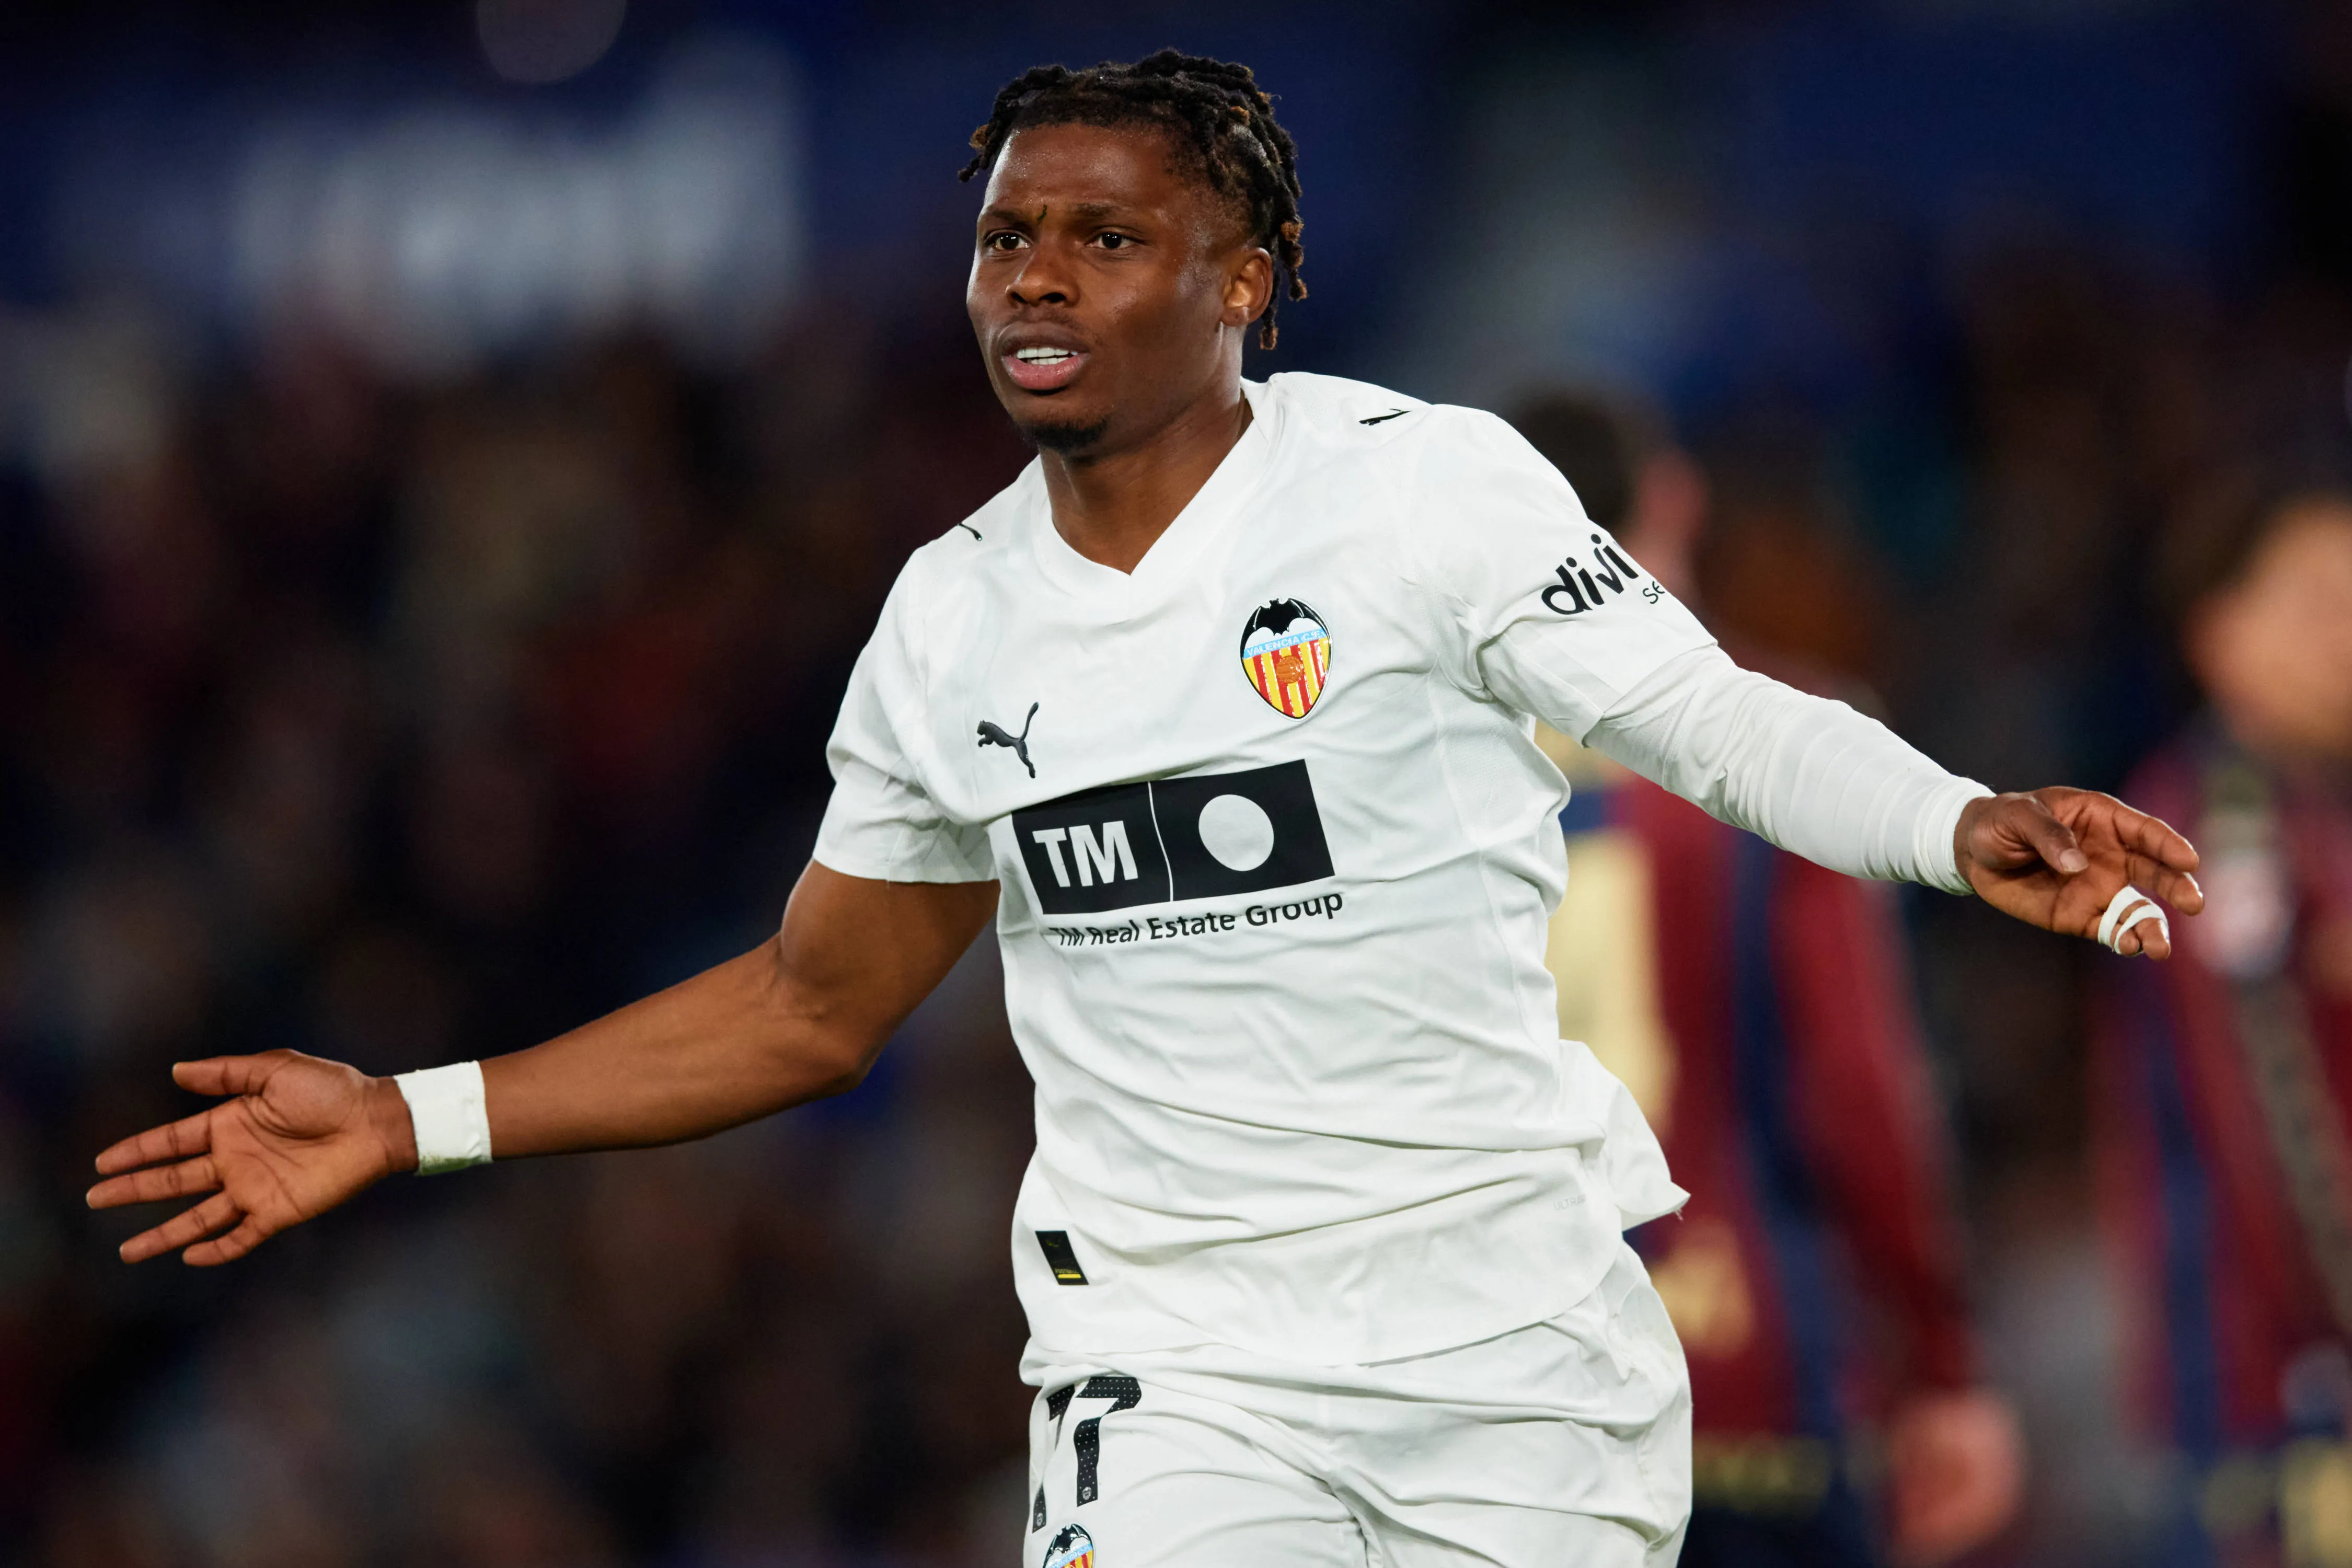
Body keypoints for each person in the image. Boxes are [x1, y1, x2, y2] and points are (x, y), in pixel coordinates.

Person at [88, 53, 2200, 1567]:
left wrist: (1956, 821)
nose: (1037, 278)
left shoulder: (1422, 491)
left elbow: (1714, 721)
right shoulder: (951, 619)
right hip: (1174, 1373)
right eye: (1011, 234)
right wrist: (411, 1113)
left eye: (1109, 236)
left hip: (1515, 1358)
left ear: (1249, 276)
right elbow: (813, 1010)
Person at [1511, 392, 2022, 1567]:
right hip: (1744, 1374)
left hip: (1507, 1400)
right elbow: (1858, 1087)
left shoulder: (1406, 769)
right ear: (1675, 505)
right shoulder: (1785, 748)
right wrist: (1944, 1363)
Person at [2092, 484, 2352, 1566]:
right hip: (2272, 1394)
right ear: (2220, 633)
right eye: (2317, 604)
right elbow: (2272, 1120)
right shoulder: (2214, 833)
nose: (2346, 636)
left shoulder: (2306, 814)